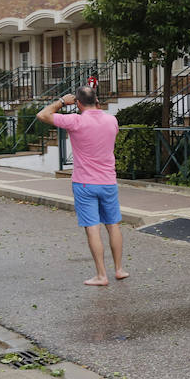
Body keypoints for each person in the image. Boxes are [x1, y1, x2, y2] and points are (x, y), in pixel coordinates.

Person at [36, 85, 128, 287]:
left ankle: (101, 275)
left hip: (85, 183)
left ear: (77, 103)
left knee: (92, 228)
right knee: (113, 225)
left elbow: (42, 115)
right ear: (97, 101)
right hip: (108, 181)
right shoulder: (112, 120)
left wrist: (61, 102)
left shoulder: (75, 121)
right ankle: (119, 269)